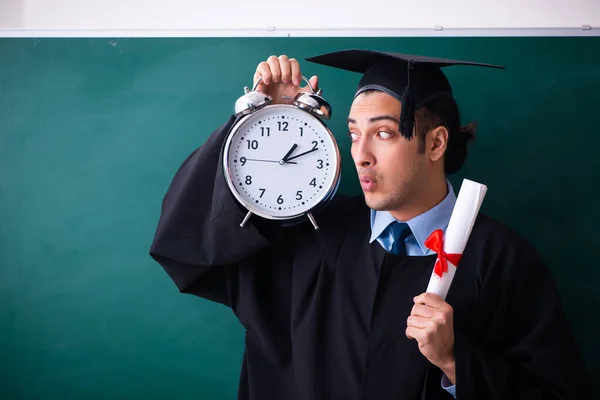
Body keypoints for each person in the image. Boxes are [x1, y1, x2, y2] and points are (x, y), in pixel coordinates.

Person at [149, 49, 592, 399]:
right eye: (354, 132)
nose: (360, 153)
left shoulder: (500, 261)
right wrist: (263, 116)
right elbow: (185, 246)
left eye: (383, 133)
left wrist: (457, 362)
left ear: (436, 143)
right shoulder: (308, 234)